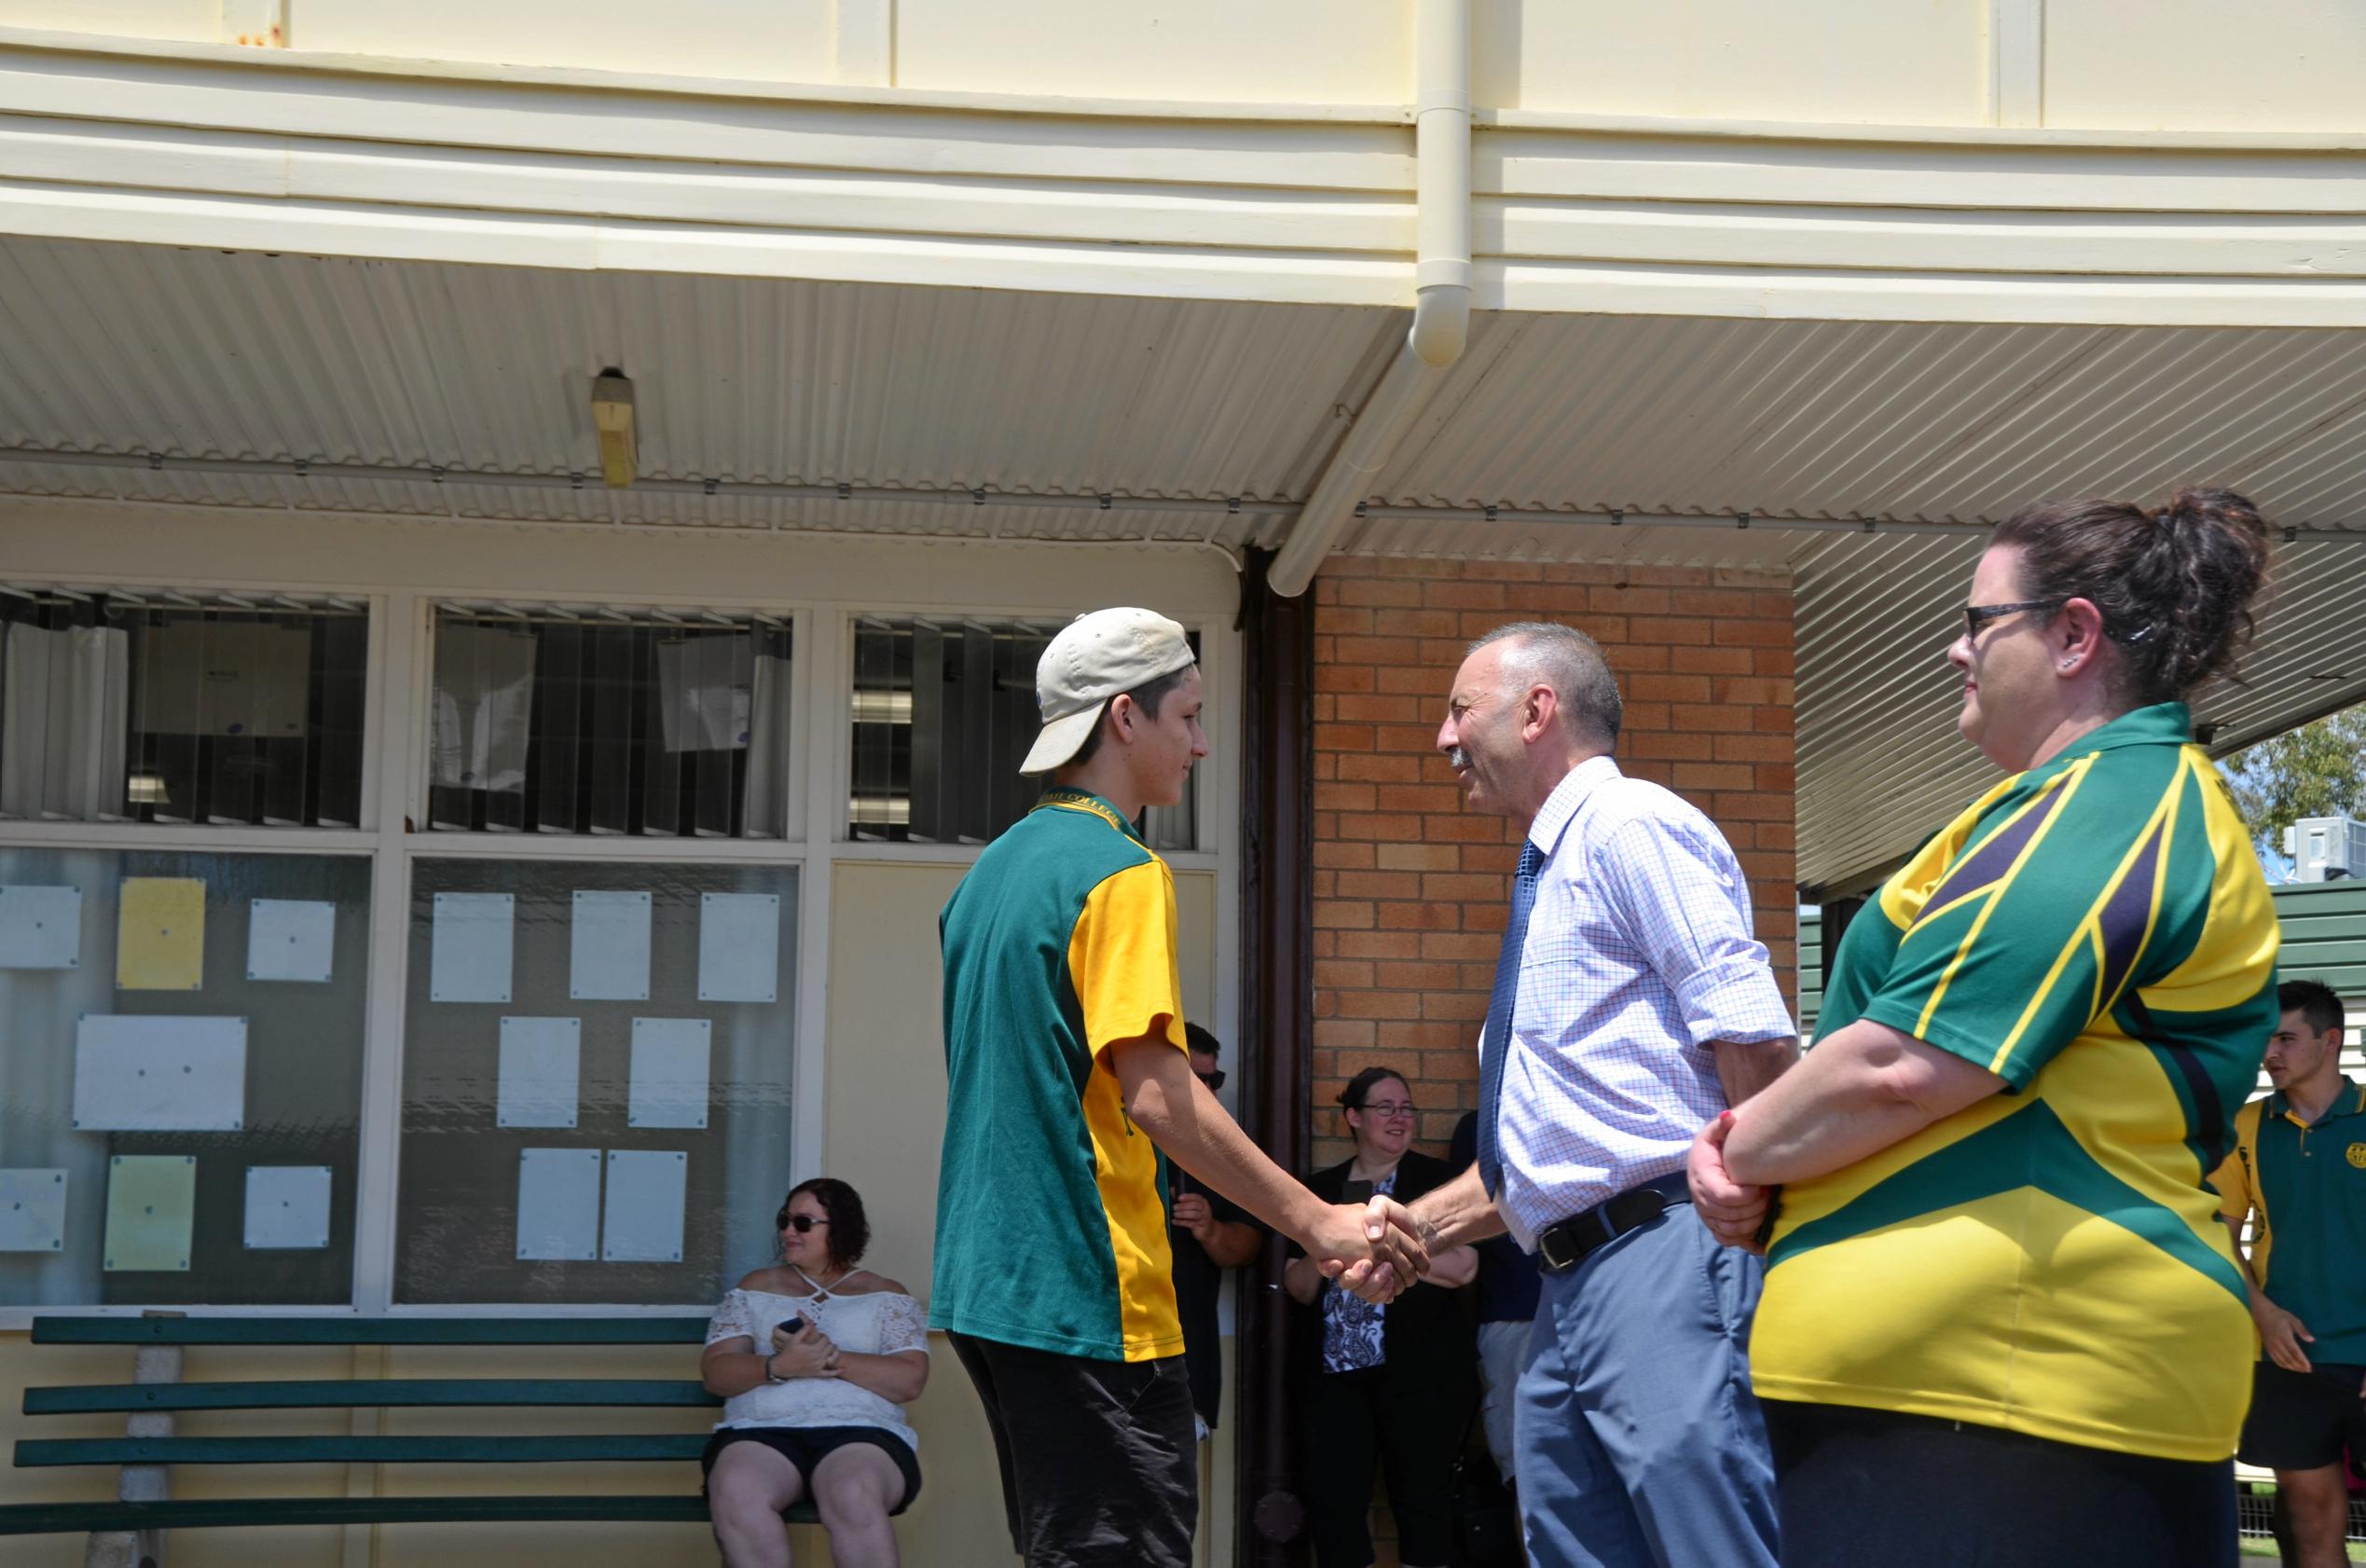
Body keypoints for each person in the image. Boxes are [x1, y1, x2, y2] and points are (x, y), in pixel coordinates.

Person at [1688, 488, 2281, 1568]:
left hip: (2016, 1392)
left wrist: (1737, 1153)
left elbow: (1903, 1066)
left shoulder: (2115, 802)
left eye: (1977, 622)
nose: (1953, 651)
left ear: (2072, 635)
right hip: (1960, 1399)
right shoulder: (2047, 808)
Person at [933, 606, 1425, 1568]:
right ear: (1125, 716)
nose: (1201, 743)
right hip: (1087, 1286)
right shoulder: (1118, 868)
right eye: (1189, 716)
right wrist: (1319, 1220)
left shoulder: (988, 874)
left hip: (991, 1284)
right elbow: (1159, 1097)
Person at [1345, 620, 1799, 1568]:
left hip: (1664, 1262)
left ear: (1537, 708)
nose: (1443, 736)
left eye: (1460, 708)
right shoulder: (1553, 871)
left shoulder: (1631, 826)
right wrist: (1410, 1230)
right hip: (1568, 1287)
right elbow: (1555, 1155)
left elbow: (1750, 1031)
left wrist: (1763, 1217)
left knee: (1710, 1543)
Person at [1286, 1068, 1479, 1568]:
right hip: (1335, 1379)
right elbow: (1299, 1287)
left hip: (1423, 1376)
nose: (1399, 1118)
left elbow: (1463, 1268)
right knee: (1334, 1507)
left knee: (1425, 1504)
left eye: (1407, 1108)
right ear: (1353, 1117)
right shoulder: (1320, 1192)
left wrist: (1375, 1243)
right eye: (1385, 1108)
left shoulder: (1438, 1184)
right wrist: (1329, 1236)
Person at [700, 1178, 929, 1568]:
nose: (788, 1231)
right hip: (761, 1432)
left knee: (853, 1493)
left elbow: (909, 1380)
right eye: (785, 1221)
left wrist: (823, 1357)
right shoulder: (755, 1288)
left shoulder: (885, 1293)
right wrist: (778, 1366)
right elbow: (717, 1373)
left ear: (840, 1228)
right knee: (738, 1490)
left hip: (861, 1434)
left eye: (803, 1223)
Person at [2214, 980, 2364, 1568]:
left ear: (2330, 1041)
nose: (2268, 1053)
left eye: (2284, 1038)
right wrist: (2263, 1313)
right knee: (2310, 1521)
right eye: (2264, 1039)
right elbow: (2219, 1236)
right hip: (2287, 1354)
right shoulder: (2245, 1127)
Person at [1168, 1023, 1264, 1441]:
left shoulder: (1222, 1151)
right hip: (1107, 1357)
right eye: (1196, 1078)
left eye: (1214, 1079)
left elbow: (1249, 1246)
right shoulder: (1114, 1139)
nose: (1207, 1089)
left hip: (1186, 1365)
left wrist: (1210, 1229)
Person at [1448, 1107, 1540, 1486]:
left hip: (1597, 1312)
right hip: (1512, 1315)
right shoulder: (1479, 1126)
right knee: (1526, 1473)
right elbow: (1465, 1222)